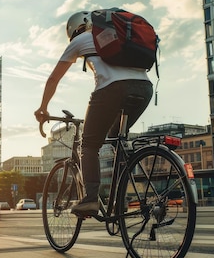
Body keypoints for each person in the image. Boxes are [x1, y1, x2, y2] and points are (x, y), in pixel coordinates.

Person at [34, 11, 153, 217]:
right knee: (117, 139)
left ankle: (90, 199)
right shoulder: (117, 35)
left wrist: (43, 108)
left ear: (74, 30)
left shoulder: (80, 39)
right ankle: (120, 200)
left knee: (89, 145)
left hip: (111, 90)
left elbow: (54, 79)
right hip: (144, 88)